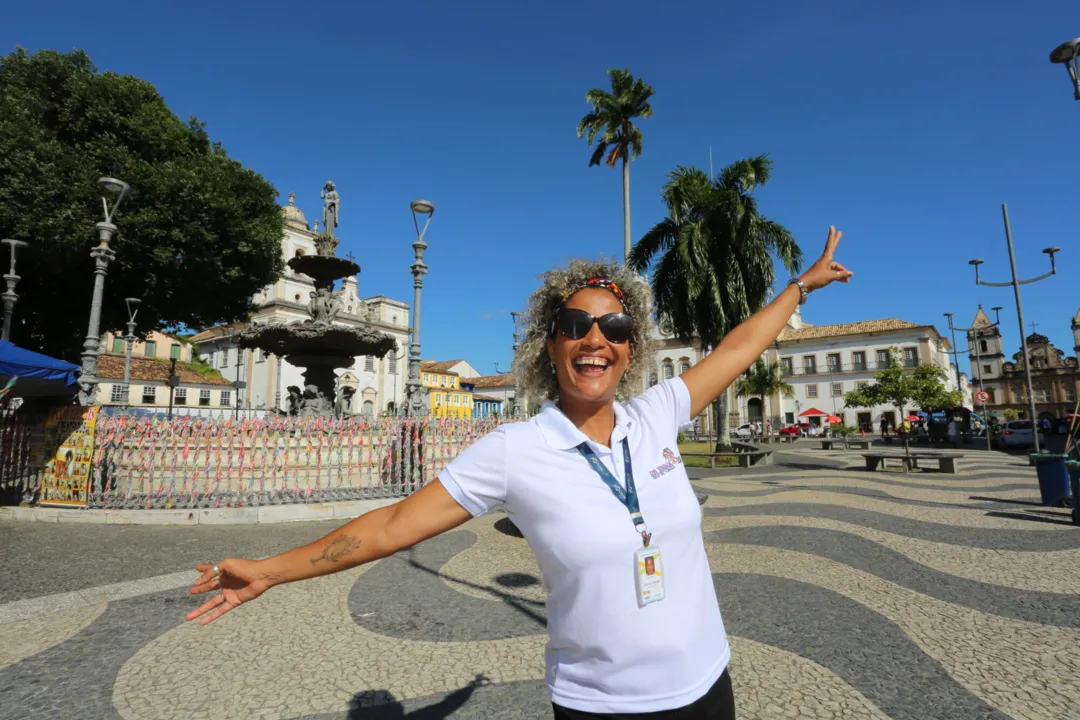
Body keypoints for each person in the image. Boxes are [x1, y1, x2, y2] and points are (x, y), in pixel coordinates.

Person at [187, 227, 852, 718]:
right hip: (602, 705)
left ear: (631, 347)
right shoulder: (514, 450)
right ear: (551, 343)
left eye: (615, 327)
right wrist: (270, 570)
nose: (597, 339)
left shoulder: (657, 415)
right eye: (576, 325)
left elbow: (737, 345)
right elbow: (392, 525)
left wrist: (799, 287)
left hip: (709, 686)